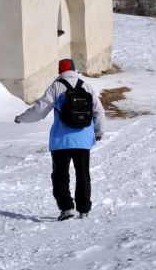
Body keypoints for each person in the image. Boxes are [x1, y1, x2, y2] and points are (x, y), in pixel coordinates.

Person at [14, 59, 105, 221]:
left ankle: (66, 209)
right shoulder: (87, 87)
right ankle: (84, 209)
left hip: (60, 141)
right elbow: (99, 111)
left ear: (59, 71)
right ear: (75, 70)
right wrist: (98, 132)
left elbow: (40, 110)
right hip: (83, 140)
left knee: (60, 175)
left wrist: (21, 118)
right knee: (83, 174)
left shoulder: (56, 87)